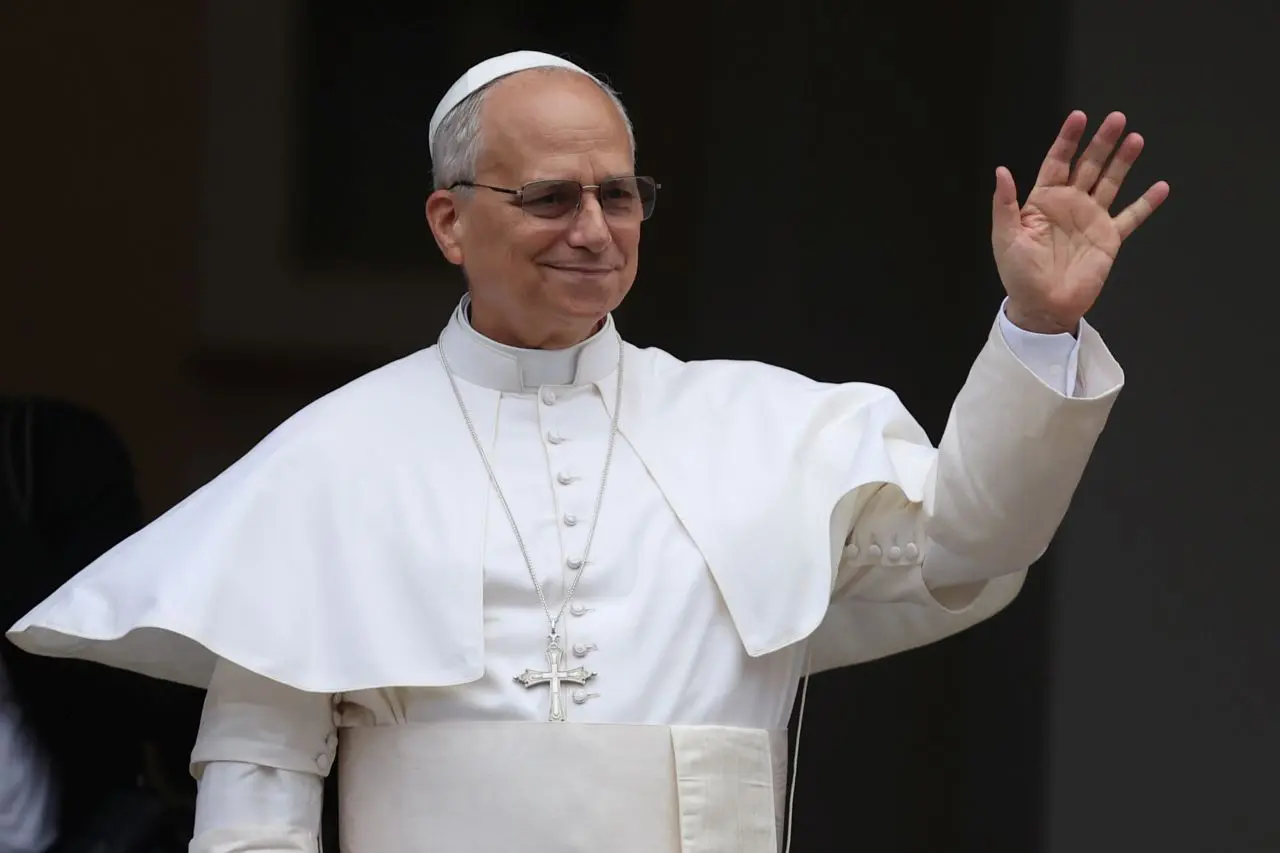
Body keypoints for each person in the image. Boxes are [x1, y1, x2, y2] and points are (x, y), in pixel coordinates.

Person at [8, 50, 1168, 853]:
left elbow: (969, 542)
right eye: (550, 197)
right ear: (449, 221)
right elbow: (256, 782)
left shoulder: (765, 426)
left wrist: (1035, 326)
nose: (594, 230)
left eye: (618, 195)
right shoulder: (332, 458)